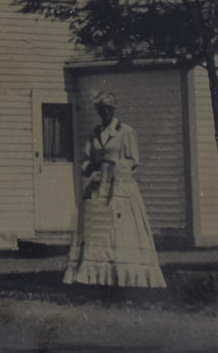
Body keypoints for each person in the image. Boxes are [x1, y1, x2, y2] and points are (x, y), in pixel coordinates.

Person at [63, 92, 166, 288]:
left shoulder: (125, 132)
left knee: (121, 230)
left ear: (114, 109)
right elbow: (86, 159)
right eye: (101, 109)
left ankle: (125, 275)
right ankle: (95, 276)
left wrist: (114, 165)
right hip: (97, 187)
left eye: (108, 108)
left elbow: (133, 161)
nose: (105, 112)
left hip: (119, 187)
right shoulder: (95, 134)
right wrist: (91, 167)